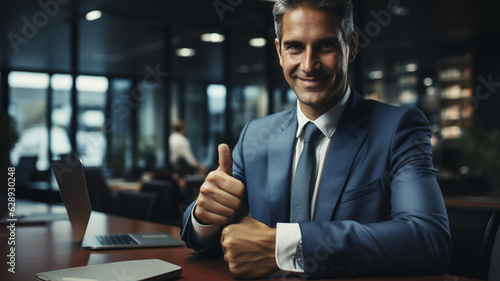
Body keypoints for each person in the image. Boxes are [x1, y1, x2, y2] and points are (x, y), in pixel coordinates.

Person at [181, 0, 451, 279]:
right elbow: (201, 237)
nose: (308, 65)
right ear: (279, 51)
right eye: (295, 47)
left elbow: (429, 239)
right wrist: (205, 216)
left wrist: (285, 247)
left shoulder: (399, 128)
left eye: (325, 45)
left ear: (352, 45)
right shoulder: (255, 135)